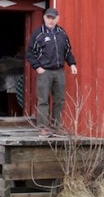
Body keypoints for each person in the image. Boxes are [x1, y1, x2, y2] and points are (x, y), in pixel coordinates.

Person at [26, 7, 77, 137]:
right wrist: (38, 67)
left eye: (53, 18)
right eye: (48, 17)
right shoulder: (38, 34)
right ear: (44, 18)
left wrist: (72, 64)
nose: (50, 20)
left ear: (57, 19)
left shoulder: (62, 33)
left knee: (59, 100)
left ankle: (56, 127)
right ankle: (43, 128)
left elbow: (67, 51)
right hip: (45, 72)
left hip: (59, 71)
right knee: (43, 100)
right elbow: (30, 53)